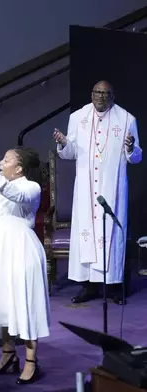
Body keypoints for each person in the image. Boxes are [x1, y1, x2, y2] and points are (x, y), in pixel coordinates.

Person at [53, 80, 141, 305]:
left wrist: (131, 148)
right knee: (87, 235)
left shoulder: (127, 120)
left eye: (105, 93)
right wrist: (64, 143)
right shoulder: (78, 118)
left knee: (112, 235)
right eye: (97, 93)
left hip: (112, 188)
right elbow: (69, 153)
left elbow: (136, 157)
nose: (100, 97)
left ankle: (114, 288)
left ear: (113, 96)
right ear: (91, 94)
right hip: (85, 188)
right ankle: (88, 287)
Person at [0, 147, 50, 386]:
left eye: (6, 159)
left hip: (23, 251)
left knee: (25, 303)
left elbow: (19, 197)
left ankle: (32, 361)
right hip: (2, 251)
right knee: (3, 302)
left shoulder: (29, 187)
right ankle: (8, 352)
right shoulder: (1, 189)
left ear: (20, 168)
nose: (1, 162)